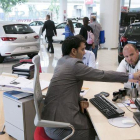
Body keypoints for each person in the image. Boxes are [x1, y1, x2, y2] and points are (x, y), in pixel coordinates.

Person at [42, 35, 140, 140]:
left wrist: (80, 99)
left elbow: (66, 90)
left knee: (91, 119)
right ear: (74, 51)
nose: (85, 52)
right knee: (101, 131)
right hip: (62, 128)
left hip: (50, 121)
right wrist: (132, 76)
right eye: (83, 49)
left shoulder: (62, 62)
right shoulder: (74, 65)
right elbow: (102, 75)